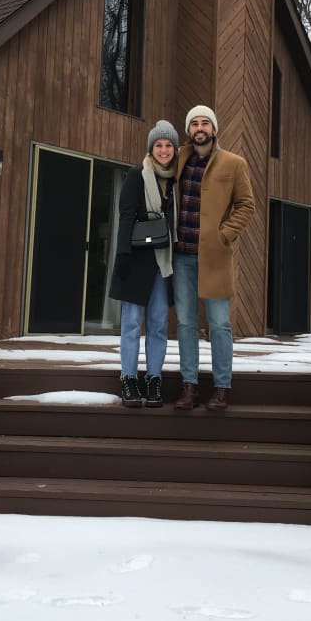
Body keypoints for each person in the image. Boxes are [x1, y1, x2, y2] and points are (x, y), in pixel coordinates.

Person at [173, 105, 255, 411]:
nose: (199, 127)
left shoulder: (234, 163)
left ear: (214, 129)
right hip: (182, 257)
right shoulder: (179, 159)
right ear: (188, 130)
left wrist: (225, 234)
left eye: (205, 122)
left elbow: (246, 204)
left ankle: (222, 388)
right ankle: (189, 387)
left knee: (219, 324)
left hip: (216, 257)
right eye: (194, 123)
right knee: (184, 324)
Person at [109, 120, 179, 408]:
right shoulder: (137, 175)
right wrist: (122, 253)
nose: (163, 150)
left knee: (159, 323)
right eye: (158, 145)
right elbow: (125, 216)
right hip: (136, 258)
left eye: (168, 145)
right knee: (132, 323)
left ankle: (153, 379)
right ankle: (128, 378)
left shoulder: (177, 180)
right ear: (151, 148)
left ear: (175, 149)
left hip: (164, 263)